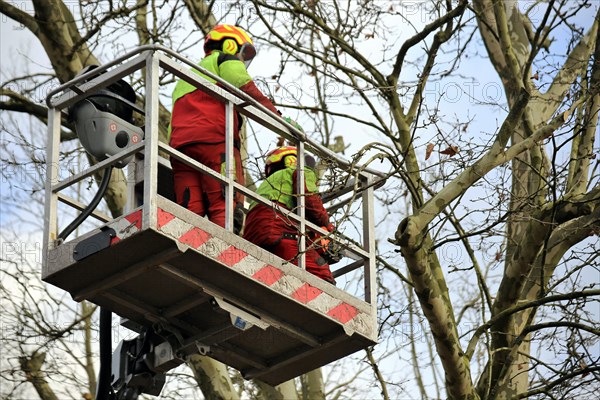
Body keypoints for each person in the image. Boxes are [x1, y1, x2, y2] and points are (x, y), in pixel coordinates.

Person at [169, 24, 279, 231]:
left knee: (188, 206)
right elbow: (243, 85)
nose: (243, 59)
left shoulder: (185, 77)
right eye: (244, 52)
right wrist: (276, 117)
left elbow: (173, 118)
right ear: (230, 44)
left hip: (180, 147)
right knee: (225, 201)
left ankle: (186, 246)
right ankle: (226, 249)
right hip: (215, 142)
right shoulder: (224, 60)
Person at [243, 146, 336, 284]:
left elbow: (297, 217)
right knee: (323, 275)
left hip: (254, 239)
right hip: (280, 234)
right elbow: (310, 201)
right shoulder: (301, 171)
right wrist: (328, 226)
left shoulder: (267, 185)